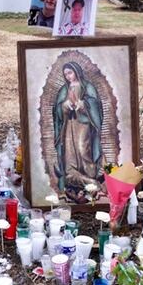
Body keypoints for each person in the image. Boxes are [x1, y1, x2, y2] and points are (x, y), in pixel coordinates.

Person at [52, 62, 104, 201]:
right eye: (65, 74)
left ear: (76, 71)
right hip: (69, 124)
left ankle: (89, 177)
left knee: (83, 149)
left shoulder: (87, 86)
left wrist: (84, 105)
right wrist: (64, 106)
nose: (68, 76)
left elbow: (95, 105)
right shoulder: (64, 89)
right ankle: (75, 179)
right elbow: (57, 109)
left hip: (84, 124)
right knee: (69, 153)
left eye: (70, 72)